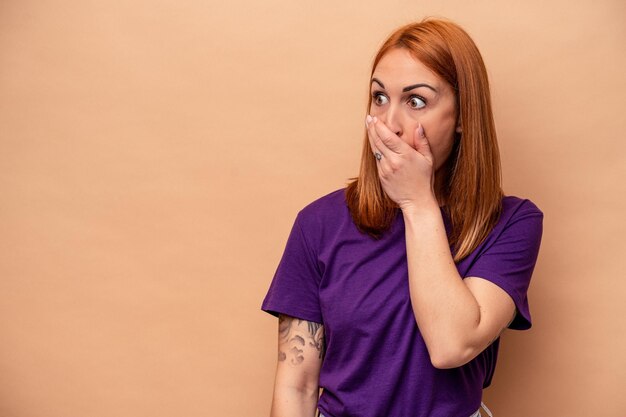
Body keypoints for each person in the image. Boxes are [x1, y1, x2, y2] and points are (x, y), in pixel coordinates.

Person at [261, 18, 543, 417]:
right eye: (379, 98)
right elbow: (297, 385)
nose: (388, 123)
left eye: (415, 101)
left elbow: (451, 345)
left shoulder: (511, 223)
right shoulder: (318, 224)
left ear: (463, 116)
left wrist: (417, 203)